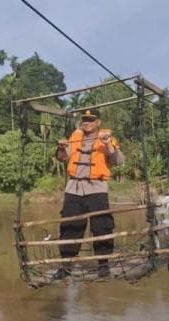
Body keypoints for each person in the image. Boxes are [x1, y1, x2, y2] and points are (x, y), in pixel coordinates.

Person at [53, 109, 125, 279]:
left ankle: (103, 265)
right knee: (70, 227)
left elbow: (119, 160)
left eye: (91, 120)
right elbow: (62, 158)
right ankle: (65, 266)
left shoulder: (107, 137)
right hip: (74, 188)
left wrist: (108, 144)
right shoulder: (75, 136)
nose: (87, 122)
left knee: (102, 227)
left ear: (98, 122)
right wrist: (61, 148)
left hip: (97, 188)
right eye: (85, 119)